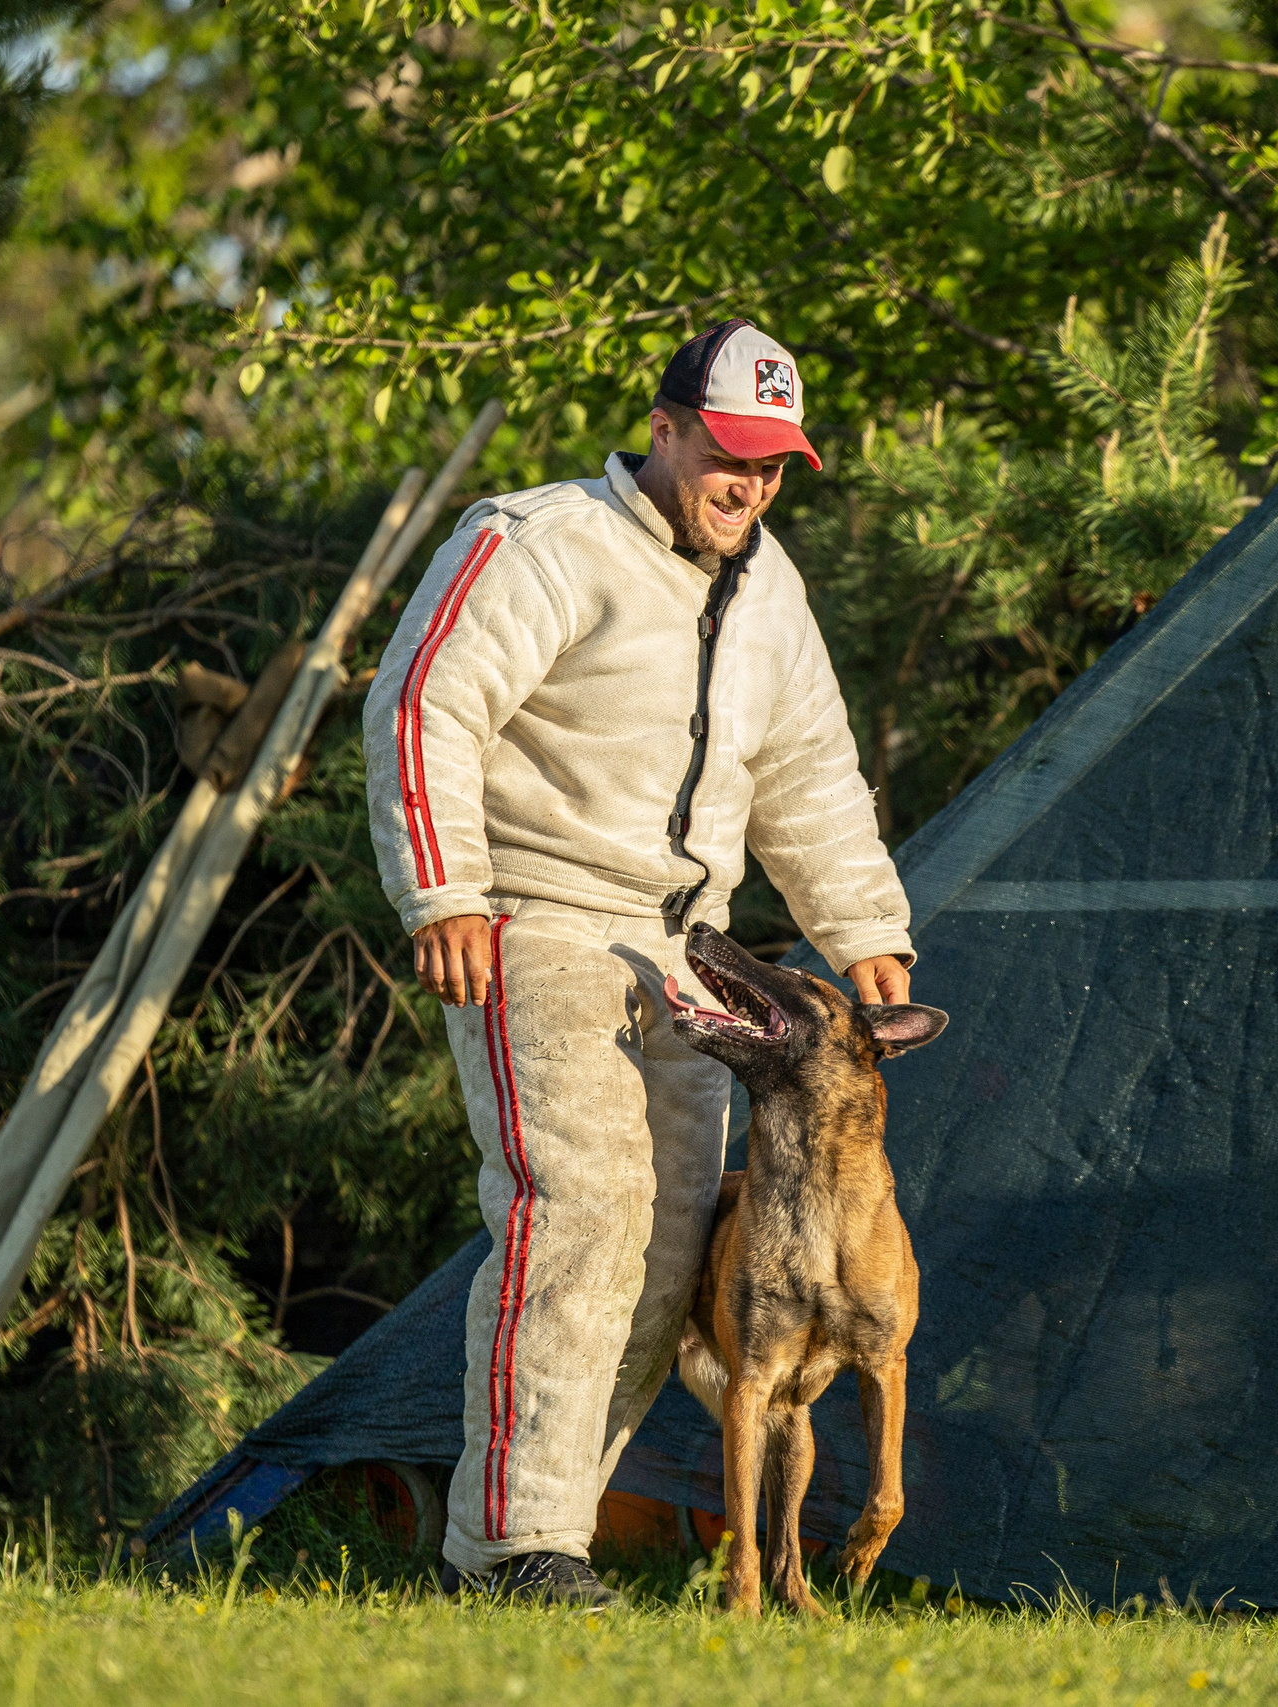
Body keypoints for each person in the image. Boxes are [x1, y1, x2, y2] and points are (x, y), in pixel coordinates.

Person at [362, 319, 916, 1609]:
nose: (751, 487)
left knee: (673, 1262)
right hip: (539, 921)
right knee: (582, 1208)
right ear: (664, 429)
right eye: (730, 457)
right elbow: (423, 699)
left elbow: (808, 777)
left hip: (692, 957)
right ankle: (515, 1547)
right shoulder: (540, 542)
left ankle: (524, 1546)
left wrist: (866, 930)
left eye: (774, 467)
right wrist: (440, 888)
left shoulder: (770, 586)